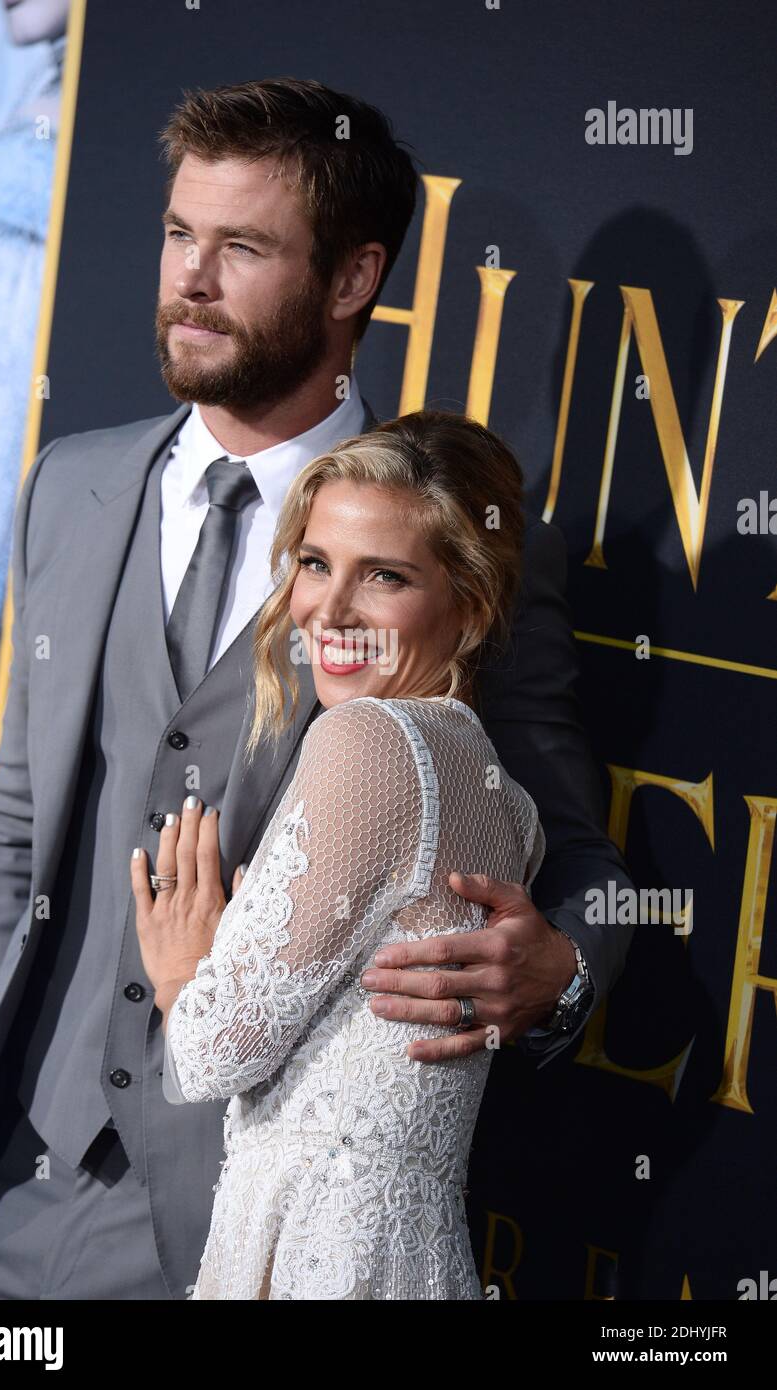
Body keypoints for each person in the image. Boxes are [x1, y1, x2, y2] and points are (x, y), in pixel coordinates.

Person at [0, 78, 634, 1300]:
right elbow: (16, 826)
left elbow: (576, 851)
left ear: (352, 281)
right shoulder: (72, 487)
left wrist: (561, 974)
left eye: (240, 247)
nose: (190, 277)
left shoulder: (447, 547)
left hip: (228, 1226)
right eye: (178, 234)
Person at [132, 409, 545, 1300]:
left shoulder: (367, 740)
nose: (329, 609)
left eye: (384, 576)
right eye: (316, 563)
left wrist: (178, 966)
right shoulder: (504, 801)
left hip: (315, 1250)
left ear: (467, 606)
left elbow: (209, 1055)